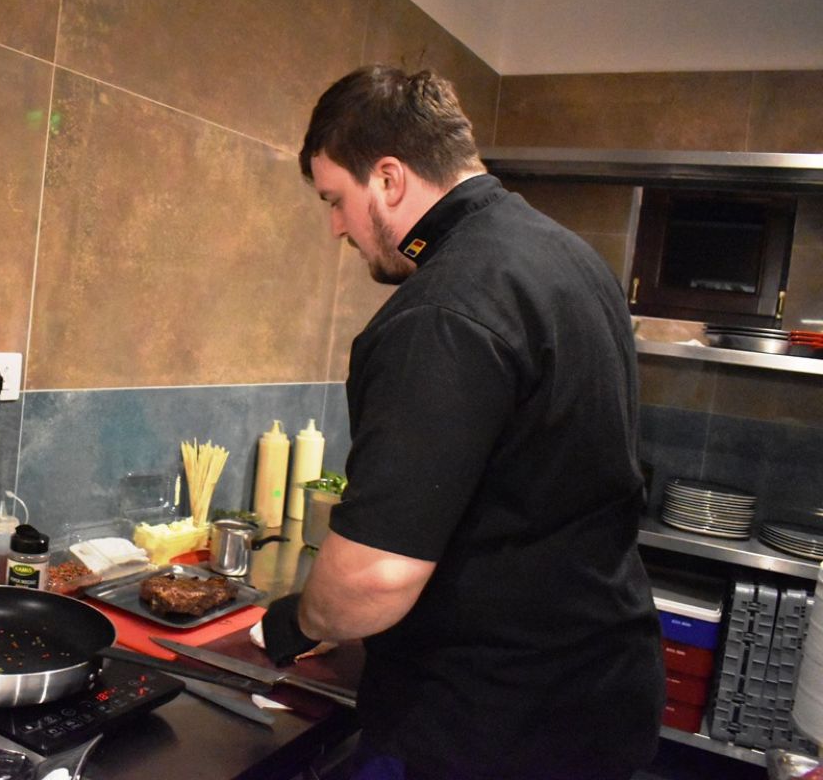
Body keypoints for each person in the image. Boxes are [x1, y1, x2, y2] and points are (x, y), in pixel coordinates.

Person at [261, 65, 665, 780]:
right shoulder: (571, 258)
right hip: (602, 686)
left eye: (336, 200)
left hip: (488, 724)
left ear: (389, 178)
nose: (336, 228)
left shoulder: (442, 312)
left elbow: (374, 576)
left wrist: (297, 621)